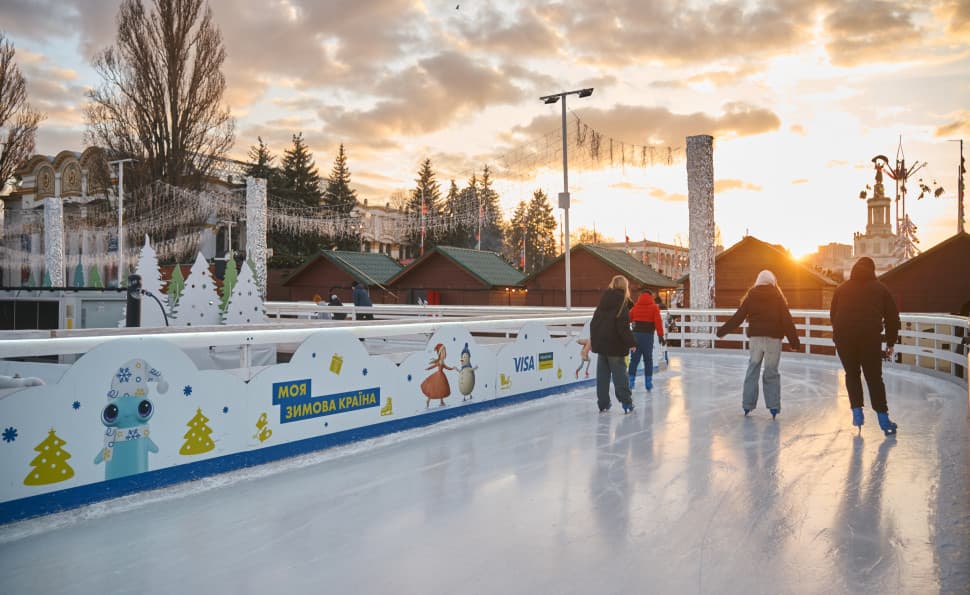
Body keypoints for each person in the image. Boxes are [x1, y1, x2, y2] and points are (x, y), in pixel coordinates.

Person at [715, 270, 801, 419]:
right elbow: (787, 320)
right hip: (774, 340)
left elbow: (738, 317)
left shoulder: (751, 296)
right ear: (772, 281)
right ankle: (773, 407)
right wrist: (795, 342)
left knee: (752, 370)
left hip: (756, 339)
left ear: (758, 281)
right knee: (771, 372)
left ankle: (747, 405)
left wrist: (722, 331)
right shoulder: (778, 297)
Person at [830, 256, 901, 435]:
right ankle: (884, 421)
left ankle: (857, 414)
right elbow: (893, 318)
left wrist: (840, 335)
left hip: (844, 338)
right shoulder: (880, 289)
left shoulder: (841, 289)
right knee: (874, 378)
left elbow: (833, 315)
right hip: (869, 339)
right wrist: (891, 342)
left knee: (852, 374)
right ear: (872, 270)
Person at [590, 275, 637, 413]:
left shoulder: (604, 300)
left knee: (602, 376)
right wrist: (631, 343)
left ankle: (603, 403)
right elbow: (622, 327)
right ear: (625, 287)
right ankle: (626, 402)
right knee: (620, 375)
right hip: (615, 346)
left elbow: (594, 323)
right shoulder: (622, 303)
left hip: (601, 344)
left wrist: (595, 340)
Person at [627, 288, 665, 391]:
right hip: (647, 337)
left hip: (635, 336)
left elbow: (628, 319)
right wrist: (661, 335)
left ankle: (631, 383)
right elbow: (658, 322)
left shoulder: (635, 307)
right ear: (650, 296)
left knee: (634, 360)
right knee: (648, 360)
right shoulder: (654, 308)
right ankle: (648, 383)